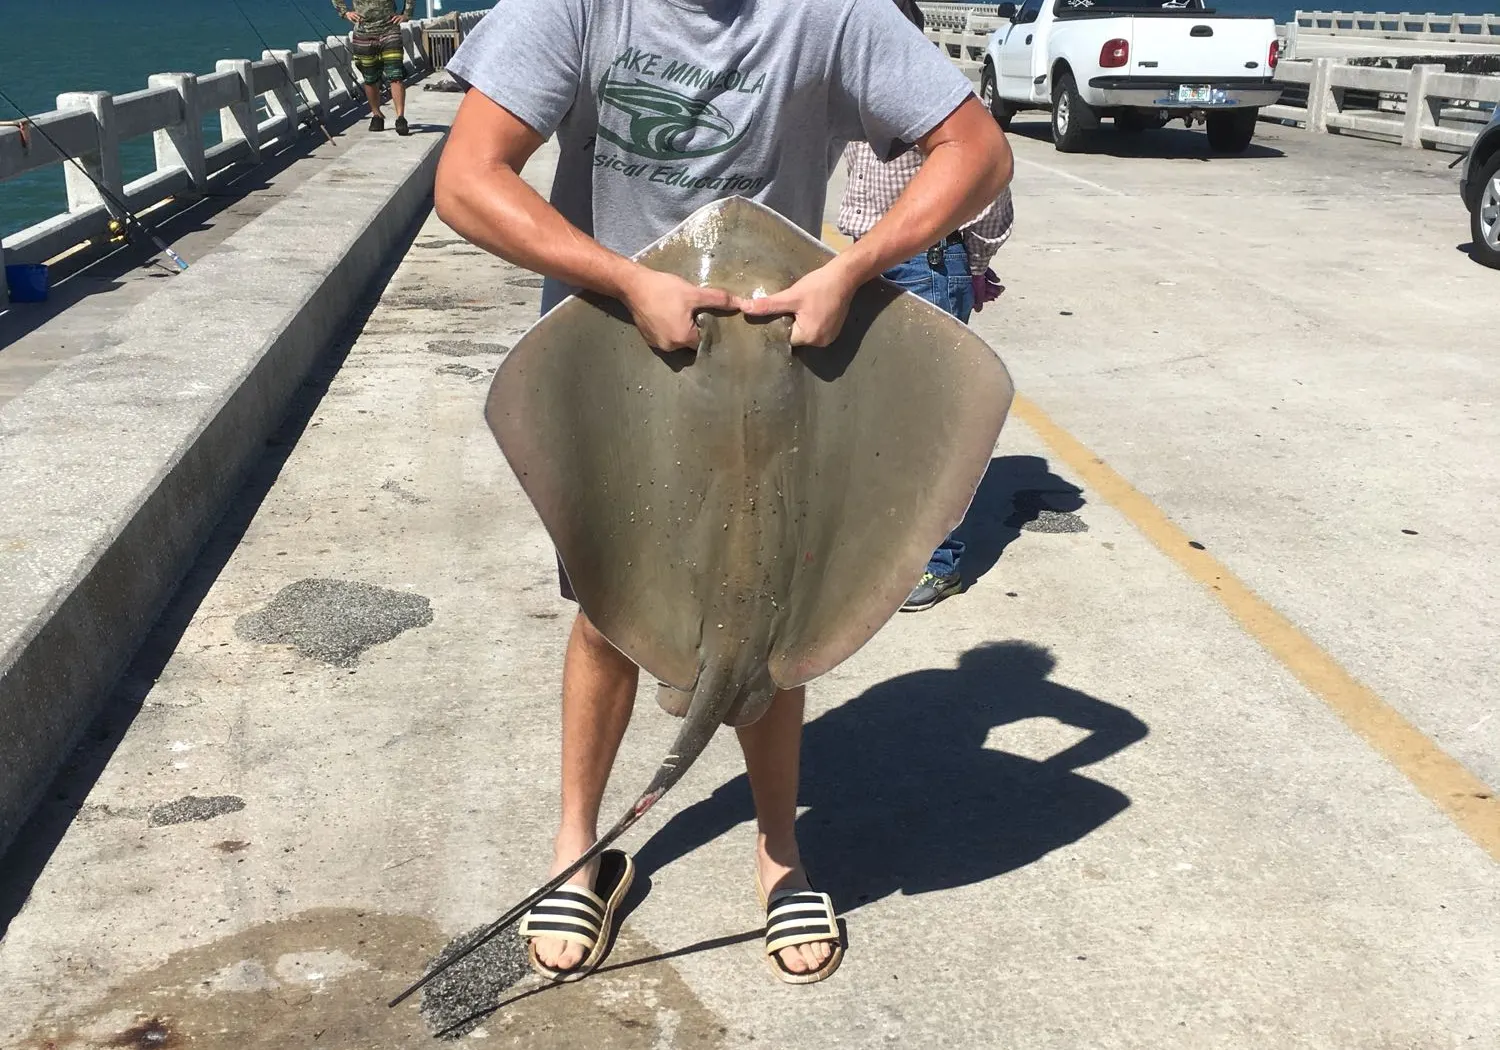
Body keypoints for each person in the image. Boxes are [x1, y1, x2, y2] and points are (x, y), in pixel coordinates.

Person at [436, 0, 1014, 986]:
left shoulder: (830, 13)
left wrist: (856, 268)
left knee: (775, 612)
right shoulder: (575, 8)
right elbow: (466, 180)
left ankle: (780, 854)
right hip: (621, 349)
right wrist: (620, 278)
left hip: (787, 355)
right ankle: (578, 847)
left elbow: (978, 153)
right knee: (608, 610)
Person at [837, 1, 1014, 614]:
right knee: (879, 419)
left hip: (925, 270)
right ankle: (887, 548)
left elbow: (989, 188)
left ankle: (938, 563)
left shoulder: (936, 98)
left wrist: (973, 263)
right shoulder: (861, 95)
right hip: (864, 265)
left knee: (929, 426)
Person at [331, 0, 410, 135]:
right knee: (370, 77)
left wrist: (406, 14)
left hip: (390, 29)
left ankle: (400, 118)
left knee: (396, 74)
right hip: (363, 32)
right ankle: (376, 115)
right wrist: (345, 13)